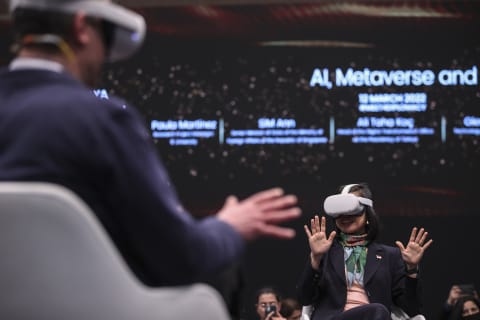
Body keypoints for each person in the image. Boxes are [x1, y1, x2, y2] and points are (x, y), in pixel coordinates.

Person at [0, 0, 301, 289]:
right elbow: (183, 257)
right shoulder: (103, 120)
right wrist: (230, 227)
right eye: (103, 37)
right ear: (81, 27)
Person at [296, 183, 433, 320]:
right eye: (339, 211)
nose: (345, 216)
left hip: (375, 316)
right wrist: (315, 258)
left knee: (377, 311)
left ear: (367, 213)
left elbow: (412, 309)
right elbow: (304, 298)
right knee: (377, 310)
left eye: (351, 209)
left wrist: (411, 270)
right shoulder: (325, 253)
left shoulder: (391, 256)